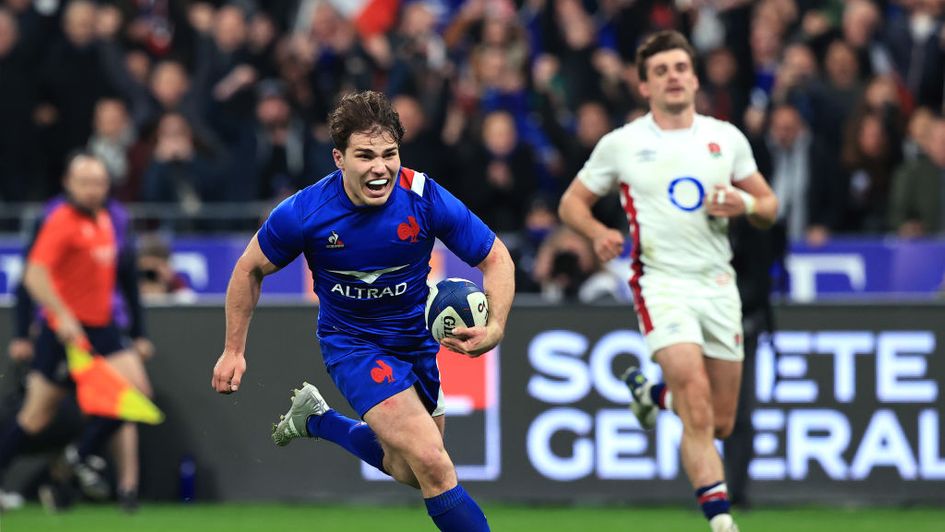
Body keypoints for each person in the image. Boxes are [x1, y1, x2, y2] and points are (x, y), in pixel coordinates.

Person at [211, 91, 514, 532]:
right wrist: (233, 350)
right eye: (365, 155)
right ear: (339, 158)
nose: (380, 167)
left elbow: (496, 257)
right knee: (433, 463)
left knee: (412, 470)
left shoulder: (424, 197)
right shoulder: (306, 211)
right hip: (353, 345)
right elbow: (249, 269)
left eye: (389, 154)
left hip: (416, 341)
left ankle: (320, 420)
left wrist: (497, 327)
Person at [558, 31, 777, 532]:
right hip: (660, 282)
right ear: (644, 87)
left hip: (719, 285)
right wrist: (596, 232)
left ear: (695, 78)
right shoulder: (623, 144)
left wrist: (743, 205)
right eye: (661, 70)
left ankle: (651, 396)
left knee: (719, 420)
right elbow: (571, 203)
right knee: (696, 402)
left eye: (681, 67)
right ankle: (721, 522)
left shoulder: (727, 138)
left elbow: (769, 207)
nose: (673, 76)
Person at [0, 153, 154, 512]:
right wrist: (61, 315)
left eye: (99, 182)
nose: (93, 189)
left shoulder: (105, 219)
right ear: (69, 184)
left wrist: (136, 329)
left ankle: (72, 460)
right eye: (85, 182)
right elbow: (33, 275)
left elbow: (124, 277)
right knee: (36, 415)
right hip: (63, 333)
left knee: (136, 396)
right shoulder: (61, 221)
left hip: (102, 328)